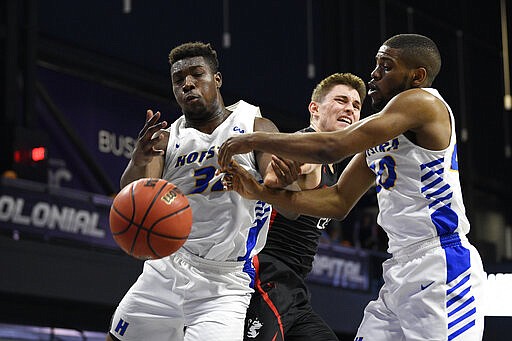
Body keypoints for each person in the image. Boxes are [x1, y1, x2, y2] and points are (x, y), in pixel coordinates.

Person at [219, 34, 486, 341]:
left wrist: (254, 138)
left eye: (386, 66)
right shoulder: (383, 130)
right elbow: (339, 200)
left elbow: (332, 146)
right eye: (376, 65)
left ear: (417, 76)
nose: (374, 74)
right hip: (398, 268)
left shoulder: (422, 102)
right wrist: (259, 191)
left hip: (440, 263)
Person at [106, 42, 296, 341]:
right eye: (179, 80)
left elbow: (291, 208)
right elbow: (134, 195)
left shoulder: (255, 125)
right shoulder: (167, 139)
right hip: (167, 269)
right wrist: (138, 160)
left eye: (197, 75)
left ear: (216, 79)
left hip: (224, 281)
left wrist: (280, 184)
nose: (187, 84)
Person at [243, 73, 366, 341]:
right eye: (341, 100)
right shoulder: (308, 146)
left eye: (356, 106)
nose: (350, 109)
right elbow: (286, 166)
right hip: (266, 276)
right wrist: (280, 173)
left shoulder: (333, 163)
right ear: (315, 108)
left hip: (294, 289)